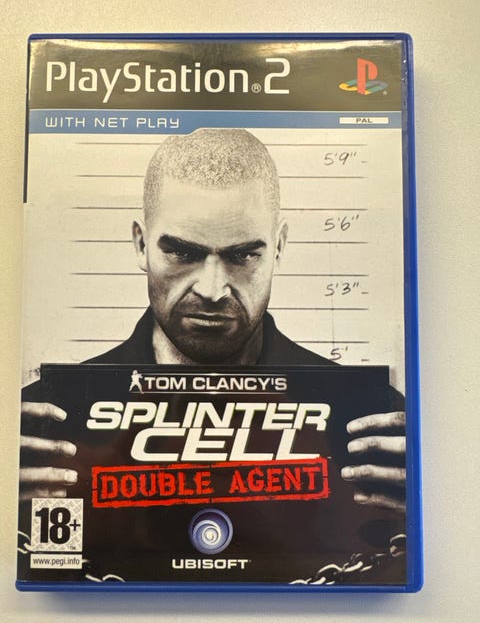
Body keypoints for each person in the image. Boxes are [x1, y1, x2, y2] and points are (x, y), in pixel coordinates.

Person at [20, 129, 406, 512]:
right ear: (141, 244)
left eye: (243, 256)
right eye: (182, 253)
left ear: (279, 247)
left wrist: (423, 508)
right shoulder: (44, 422)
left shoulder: (373, 423)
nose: (212, 289)